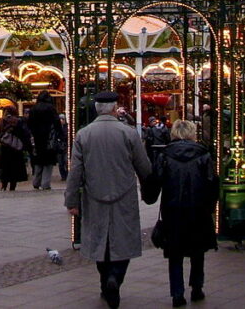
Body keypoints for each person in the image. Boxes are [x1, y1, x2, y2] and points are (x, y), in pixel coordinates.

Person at [64, 91, 152, 308]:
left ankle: (106, 280)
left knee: (99, 240)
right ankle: (116, 277)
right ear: (115, 109)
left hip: (94, 196)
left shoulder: (83, 135)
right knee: (123, 240)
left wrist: (72, 200)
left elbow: (75, 171)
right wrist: (149, 189)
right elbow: (144, 166)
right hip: (124, 195)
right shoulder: (128, 133)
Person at [152, 120, 219, 307]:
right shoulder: (203, 154)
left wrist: (150, 195)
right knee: (198, 251)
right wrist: (211, 204)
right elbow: (212, 181)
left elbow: (156, 179)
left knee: (175, 253)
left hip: (172, 210)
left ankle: (177, 293)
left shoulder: (165, 155)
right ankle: (197, 287)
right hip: (199, 210)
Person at [27, 90, 64, 190]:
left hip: (37, 138)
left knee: (38, 161)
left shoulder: (33, 109)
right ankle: (45, 183)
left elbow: (29, 124)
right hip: (49, 138)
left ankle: (36, 181)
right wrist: (60, 135)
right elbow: (57, 123)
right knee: (48, 162)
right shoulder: (51, 108)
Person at [0, 106, 32, 191]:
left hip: (5, 148)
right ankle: (13, 185)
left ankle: (4, 184)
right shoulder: (18, 121)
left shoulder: (2, 121)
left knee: (5, 167)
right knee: (15, 168)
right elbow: (24, 133)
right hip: (16, 148)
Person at [57, 113, 69, 181]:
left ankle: (66, 174)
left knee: (66, 161)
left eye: (63, 119)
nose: (61, 120)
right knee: (61, 163)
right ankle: (63, 176)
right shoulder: (57, 128)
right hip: (59, 147)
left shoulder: (67, 127)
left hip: (65, 146)